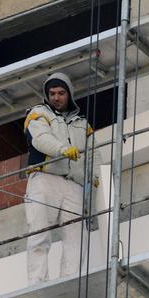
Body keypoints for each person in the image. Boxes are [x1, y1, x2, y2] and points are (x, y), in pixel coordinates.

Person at [23, 72, 94, 284]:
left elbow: (94, 152)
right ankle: (37, 282)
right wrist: (63, 149)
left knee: (76, 237)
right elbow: (41, 139)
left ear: (69, 95)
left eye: (61, 93)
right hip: (45, 179)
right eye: (52, 93)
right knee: (40, 232)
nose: (56, 97)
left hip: (73, 184)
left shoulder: (81, 123)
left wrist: (95, 175)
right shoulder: (38, 113)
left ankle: (70, 282)